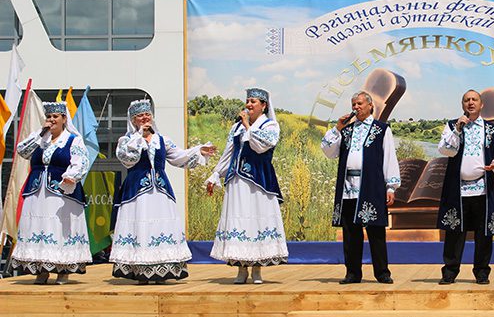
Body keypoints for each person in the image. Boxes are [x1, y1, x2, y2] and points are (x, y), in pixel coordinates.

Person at [110, 99, 216, 284]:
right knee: (140, 224)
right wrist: (139, 137)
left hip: (160, 189)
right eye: (140, 116)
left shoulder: (161, 139)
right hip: (137, 190)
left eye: (147, 114)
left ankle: (162, 269)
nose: (145, 118)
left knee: (161, 225)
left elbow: (179, 157)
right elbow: (127, 159)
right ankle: (140, 269)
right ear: (133, 120)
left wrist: (199, 151)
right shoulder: (126, 140)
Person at [205, 88, 288, 284]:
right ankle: (241, 269)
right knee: (239, 220)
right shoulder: (236, 128)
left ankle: (257, 269)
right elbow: (229, 153)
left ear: (264, 105)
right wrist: (215, 174)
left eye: (253, 102)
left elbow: (261, 146)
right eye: (247, 101)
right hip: (237, 181)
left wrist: (247, 125)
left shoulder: (270, 126)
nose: (249, 105)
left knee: (257, 220)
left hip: (259, 181)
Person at [321, 91, 401, 284]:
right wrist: (337, 129)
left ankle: (382, 273)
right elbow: (328, 152)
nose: (356, 108)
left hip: (371, 187)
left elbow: (389, 157)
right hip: (348, 188)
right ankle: (353, 273)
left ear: (370, 105)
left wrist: (391, 187)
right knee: (350, 233)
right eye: (353, 104)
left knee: (375, 232)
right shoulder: (346, 131)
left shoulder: (381, 129)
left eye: (359, 104)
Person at [11, 101, 92, 284]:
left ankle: (62, 269)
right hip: (38, 191)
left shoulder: (73, 139)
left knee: (58, 228)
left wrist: (72, 176)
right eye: (49, 116)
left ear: (64, 119)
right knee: (39, 227)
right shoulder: (40, 138)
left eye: (55, 116)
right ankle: (42, 269)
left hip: (62, 191)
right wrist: (41, 132)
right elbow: (22, 151)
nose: (51, 120)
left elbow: (81, 161)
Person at [437, 89, 494, 285]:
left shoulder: (492, 130)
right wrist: (457, 130)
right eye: (467, 100)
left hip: (482, 188)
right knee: (454, 232)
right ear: (462, 105)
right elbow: (445, 150)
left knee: (483, 233)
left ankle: (482, 272)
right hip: (457, 189)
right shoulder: (452, 126)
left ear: (481, 104)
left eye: (474, 99)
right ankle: (450, 272)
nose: (471, 103)